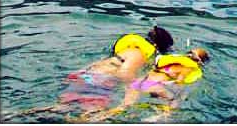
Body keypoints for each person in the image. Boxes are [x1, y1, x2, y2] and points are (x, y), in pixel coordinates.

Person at [9, 27, 174, 120]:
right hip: (100, 82)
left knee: (62, 107)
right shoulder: (139, 54)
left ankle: (16, 114)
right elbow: (125, 75)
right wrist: (137, 87)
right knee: (88, 117)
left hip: (85, 76)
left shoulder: (125, 51)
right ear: (159, 49)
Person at [86, 48, 210, 122]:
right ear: (199, 62)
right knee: (177, 97)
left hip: (140, 81)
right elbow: (179, 81)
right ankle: (162, 116)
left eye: (191, 54)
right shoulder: (188, 67)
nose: (188, 55)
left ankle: (96, 118)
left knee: (123, 106)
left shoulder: (169, 60)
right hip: (153, 85)